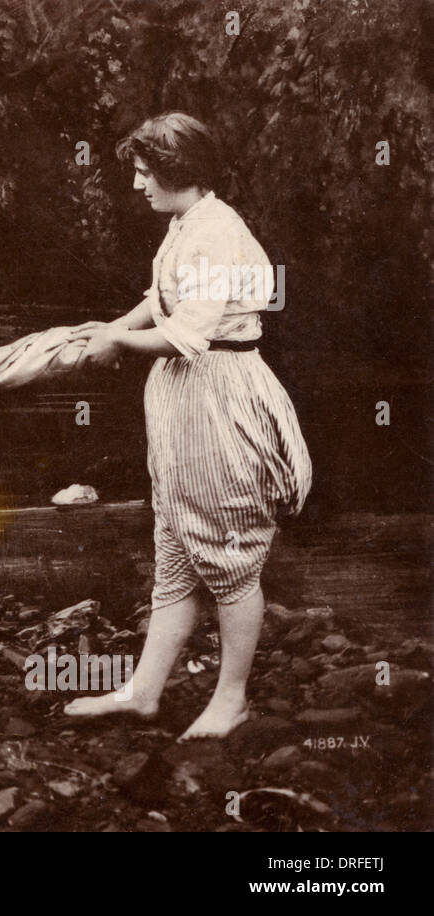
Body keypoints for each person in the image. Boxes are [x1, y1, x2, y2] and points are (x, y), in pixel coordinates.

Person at [63, 112, 313, 740]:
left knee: (229, 552)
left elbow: (187, 333)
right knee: (175, 547)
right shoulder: (185, 224)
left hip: (218, 398)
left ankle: (231, 699)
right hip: (182, 399)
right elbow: (161, 300)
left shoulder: (215, 234)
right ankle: (144, 692)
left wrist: (120, 344)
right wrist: (113, 327)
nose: (137, 185)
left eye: (146, 174)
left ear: (180, 174)